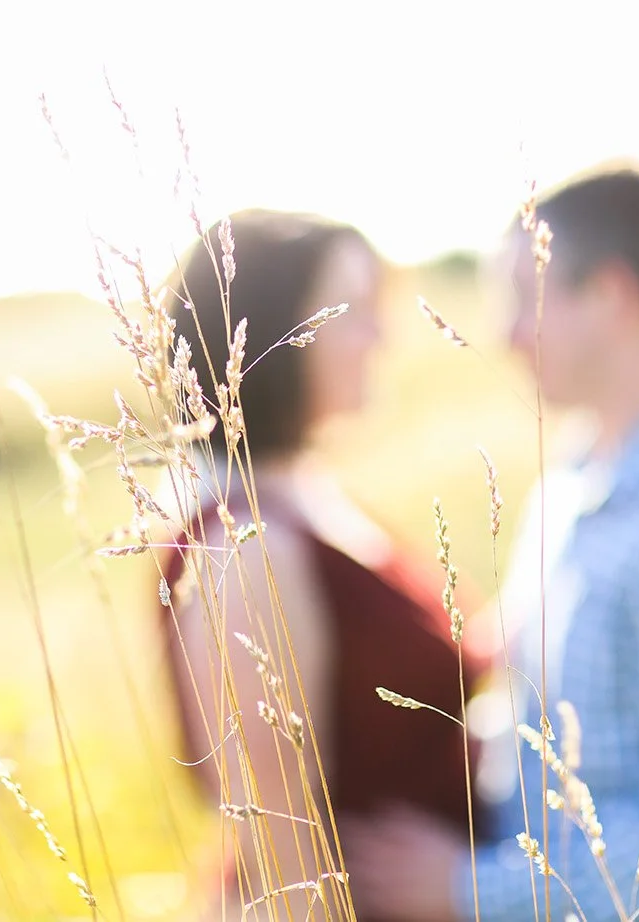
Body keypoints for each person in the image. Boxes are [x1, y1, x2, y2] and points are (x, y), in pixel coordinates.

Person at [342, 164, 639, 920]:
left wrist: (466, 890)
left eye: (522, 299)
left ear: (610, 296)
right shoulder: (576, 475)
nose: (504, 335)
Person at [154, 209, 498, 922]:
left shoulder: (316, 498)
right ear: (275, 332)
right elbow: (282, 849)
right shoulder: (245, 551)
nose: (381, 336)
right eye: (352, 312)